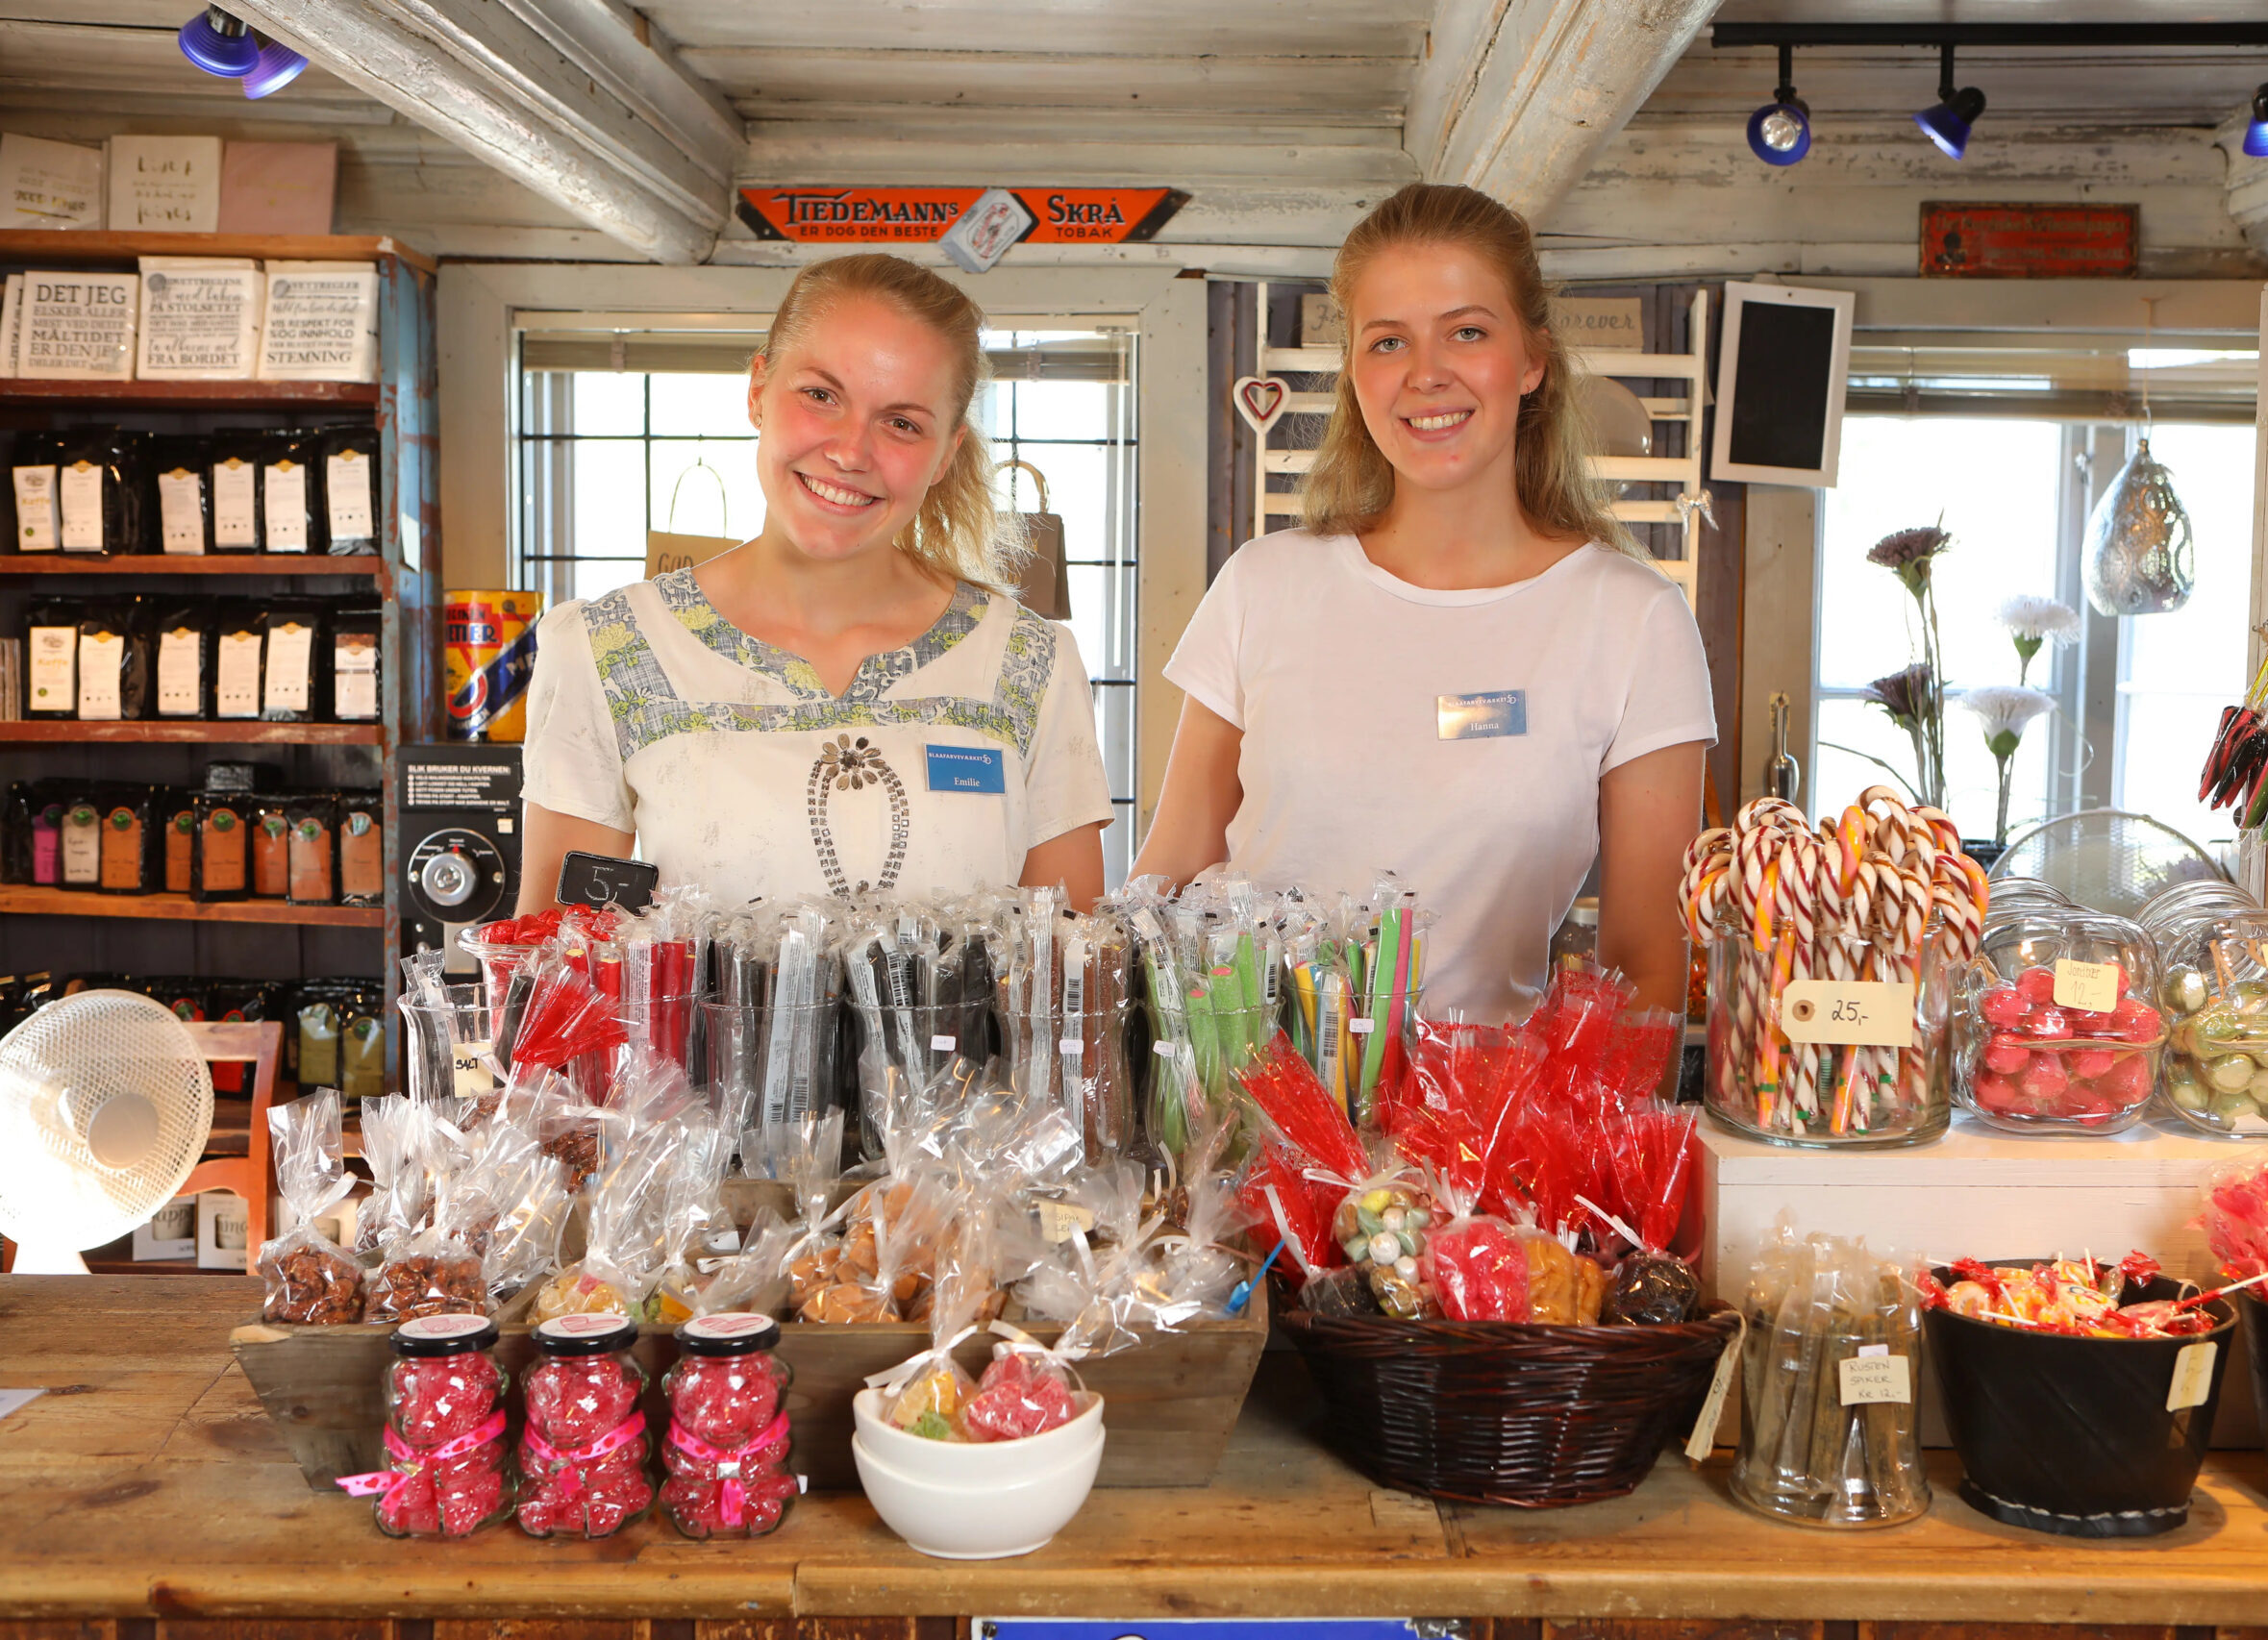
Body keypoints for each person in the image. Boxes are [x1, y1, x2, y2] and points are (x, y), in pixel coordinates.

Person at [1134, 184, 1713, 1023]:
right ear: (1355, 375)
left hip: (1488, 1103)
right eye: (1387, 341)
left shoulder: (1633, 619)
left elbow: (1646, 976)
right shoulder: (1262, 585)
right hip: (1243, 1097)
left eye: (1467, 331)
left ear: (1532, 360)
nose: (1426, 373)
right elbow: (1166, 889)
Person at [517, 253, 1112, 912]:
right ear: (757, 391)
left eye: (902, 423)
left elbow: (1072, 958)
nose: (851, 452)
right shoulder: (605, 650)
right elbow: (553, 957)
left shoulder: (1030, 662)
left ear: (946, 453)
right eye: (821, 396)